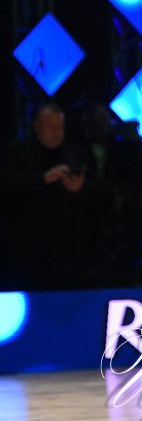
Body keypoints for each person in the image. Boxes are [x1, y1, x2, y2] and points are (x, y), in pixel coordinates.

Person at [4, 101, 95, 288]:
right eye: (50, 127)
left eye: (60, 127)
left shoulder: (75, 154)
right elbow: (7, 184)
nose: (56, 132)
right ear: (36, 127)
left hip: (68, 246)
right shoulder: (16, 153)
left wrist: (80, 187)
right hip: (27, 244)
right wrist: (43, 179)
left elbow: (99, 189)